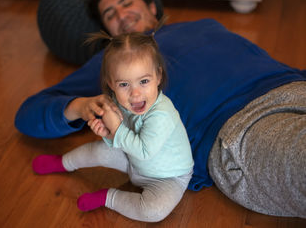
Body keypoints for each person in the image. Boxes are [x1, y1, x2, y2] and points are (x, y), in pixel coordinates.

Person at [15, 0, 306, 218]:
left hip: (291, 85)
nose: (121, 14)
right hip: (240, 125)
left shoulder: (203, 24)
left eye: (127, 3)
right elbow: (28, 114)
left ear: (152, 7)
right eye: (110, 14)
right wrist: (80, 106)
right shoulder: (108, 66)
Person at [32, 29, 194, 222]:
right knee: (98, 151)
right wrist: (107, 134)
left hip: (168, 177)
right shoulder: (117, 104)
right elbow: (119, 139)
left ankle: (108, 198)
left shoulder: (162, 114)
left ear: (158, 77)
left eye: (143, 81)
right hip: (133, 162)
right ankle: (63, 163)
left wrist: (115, 129)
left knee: (154, 212)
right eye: (124, 84)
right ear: (111, 84)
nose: (135, 94)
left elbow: (143, 151)